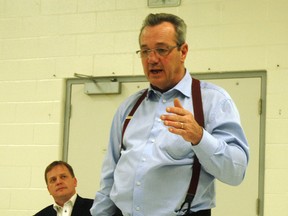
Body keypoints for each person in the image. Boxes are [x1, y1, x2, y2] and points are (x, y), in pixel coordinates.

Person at [90, 13, 249, 216]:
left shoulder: (213, 101)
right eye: (145, 51)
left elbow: (236, 172)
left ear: (183, 51)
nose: (152, 59)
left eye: (161, 50)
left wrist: (199, 137)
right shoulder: (129, 108)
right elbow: (109, 177)